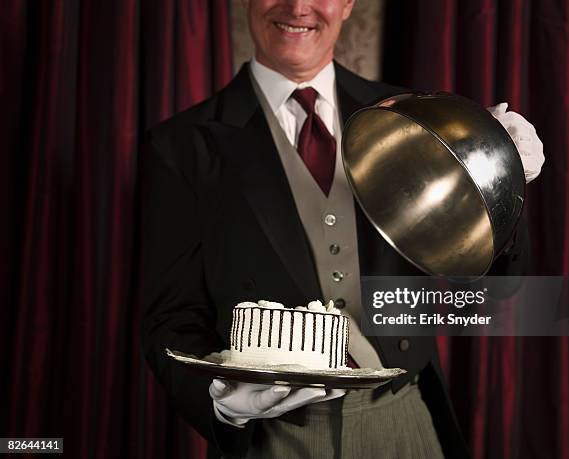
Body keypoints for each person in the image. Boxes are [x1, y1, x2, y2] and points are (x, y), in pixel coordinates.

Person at [141, 1, 544, 458]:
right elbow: (169, 320)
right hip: (277, 437)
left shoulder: (416, 118)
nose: (297, 7)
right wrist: (222, 401)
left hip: (406, 420)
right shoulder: (181, 145)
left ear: (349, 3)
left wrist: (504, 188)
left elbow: (501, 292)